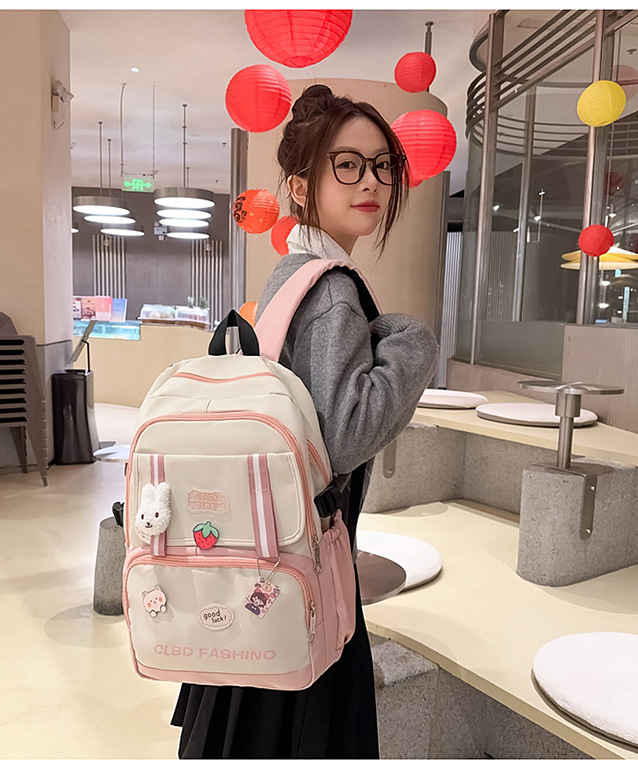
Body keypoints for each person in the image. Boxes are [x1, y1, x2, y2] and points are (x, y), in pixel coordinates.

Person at [170, 83, 439, 759]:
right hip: (305, 570)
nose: (371, 181)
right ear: (299, 185)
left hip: (265, 557)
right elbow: (344, 436)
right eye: (346, 164)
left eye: (382, 165)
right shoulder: (333, 290)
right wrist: (411, 343)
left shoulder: (290, 276)